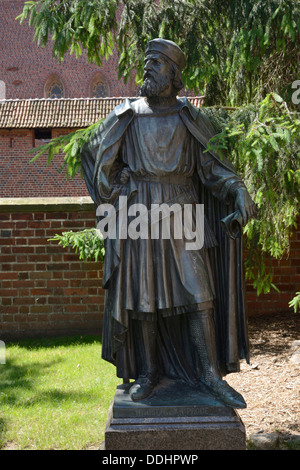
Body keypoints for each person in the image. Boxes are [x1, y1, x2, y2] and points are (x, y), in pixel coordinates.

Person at [80, 39, 257, 408]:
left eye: (157, 63)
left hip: (182, 210)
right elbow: (91, 152)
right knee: (143, 297)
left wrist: (238, 190)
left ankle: (209, 375)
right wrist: (115, 184)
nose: (148, 68)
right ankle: (148, 373)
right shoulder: (126, 115)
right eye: (147, 62)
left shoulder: (188, 118)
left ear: (175, 75)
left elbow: (214, 170)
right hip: (139, 211)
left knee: (199, 294)